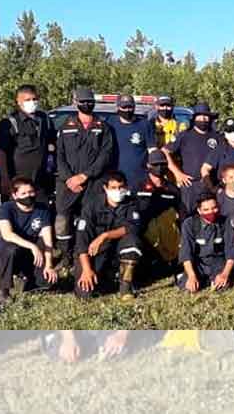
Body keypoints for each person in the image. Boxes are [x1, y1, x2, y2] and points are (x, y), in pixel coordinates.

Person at [54, 87, 116, 265]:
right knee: (62, 218)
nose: (86, 104)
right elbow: (59, 155)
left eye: (90, 101)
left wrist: (84, 176)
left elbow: (106, 155)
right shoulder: (66, 126)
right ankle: (66, 255)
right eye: (83, 102)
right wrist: (69, 179)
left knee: (87, 218)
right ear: (75, 103)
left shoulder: (103, 127)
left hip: (93, 182)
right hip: (67, 182)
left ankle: (85, 253)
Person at [74, 171, 142, 300]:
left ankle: (125, 287)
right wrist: (87, 269)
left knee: (133, 241)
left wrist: (105, 235)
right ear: (105, 188)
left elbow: (133, 227)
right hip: (94, 251)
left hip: (118, 248)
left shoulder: (131, 203)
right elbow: (81, 240)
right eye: (113, 188)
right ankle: (107, 276)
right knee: (85, 294)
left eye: (121, 187)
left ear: (126, 187)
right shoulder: (91, 205)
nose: (118, 191)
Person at [0, 177, 57, 305]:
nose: (28, 196)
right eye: (23, 193)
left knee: (48, 282)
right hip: (2, 254)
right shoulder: (6, 208)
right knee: (11, 248)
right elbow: (7, 234)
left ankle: (27, 280)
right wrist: (32, 246)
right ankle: (3, 290)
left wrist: (49, 266)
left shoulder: (43, 209)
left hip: (27, 255)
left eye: (31, 192)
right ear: (15, 195)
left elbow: (48, 241)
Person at [0, 84, 55, 203]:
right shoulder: (9, 122)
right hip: (17, 182)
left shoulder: (44, 119)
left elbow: (52, 143)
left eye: (34, 99)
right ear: (18, 101)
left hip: (39, 183)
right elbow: (1, 152)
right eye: (27, 100)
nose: (32, 102)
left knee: (40, 217)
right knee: (15, 217)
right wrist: (5, 179)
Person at [132, 150, 185, 274]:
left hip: (166, 233)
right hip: (142, 232)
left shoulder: (172, 189)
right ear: (148, 166)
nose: (159, 168)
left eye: (162, 164)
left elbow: (182, 213)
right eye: (155, 165)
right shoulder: (138, 186)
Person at [177, 193, 234, 293]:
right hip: (198, 264)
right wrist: (191, 276)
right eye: (206, 210)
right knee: (188, 287)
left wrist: (224, 274)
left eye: (214, 208)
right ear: (199, 210)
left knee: (222, 286)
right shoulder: (189, 224)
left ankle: (214, 280)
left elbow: (231, 251)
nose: (211, 212)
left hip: (218, 263)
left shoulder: (225, 222)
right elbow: (186, 254)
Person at [163, 102, 219, 211]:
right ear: (194, 118)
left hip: (211, 184)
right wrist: (177, 173)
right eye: (200, 116)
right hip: (190, 185)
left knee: (212, 216)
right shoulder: (185, 135)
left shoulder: (217, 136)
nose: (203, 119)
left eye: (206, 116)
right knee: (188, 217)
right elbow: (165, 151)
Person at [106, 94, 157, 188]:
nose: (127, 110)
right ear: (118, 107)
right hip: (115, 180)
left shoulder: (145, 124)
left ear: (134, 107)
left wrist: (154, 173)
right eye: (124, 107)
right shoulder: (110, 124)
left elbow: (152, 151)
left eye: (130, 107)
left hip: (139, 178)